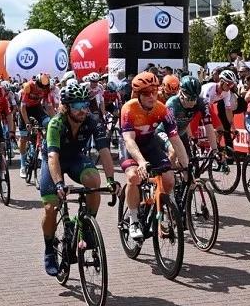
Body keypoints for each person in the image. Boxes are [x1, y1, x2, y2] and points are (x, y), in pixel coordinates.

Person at [40, 82, 116, 275]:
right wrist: (58, 184)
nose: (82, 110)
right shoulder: (56, 124)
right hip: (53, 160)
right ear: (66, 106)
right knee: (50, 207)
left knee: (94, 181)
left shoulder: (92, 121)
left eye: (85, 105)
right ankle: (49, 249)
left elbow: (105, 151)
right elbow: (52, 157)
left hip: (75, 159)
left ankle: (86, 225)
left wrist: (111, 180)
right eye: (77, 106)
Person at [119, 72, 188, 241]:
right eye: (146, 93)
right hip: (131, 146)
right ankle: (134, 220)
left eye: (154, 91)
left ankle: (160, 209)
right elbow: (129, 140)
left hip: (150, 144)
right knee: (134, 177)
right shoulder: (128, 108)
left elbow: (175, 139)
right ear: (137, 94)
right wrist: (141, 162)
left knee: (169, 179)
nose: (152, 96)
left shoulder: (162, 109)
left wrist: (186, 166)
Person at [165, 76, 217, 154]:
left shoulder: (201, 103)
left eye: (195, 98)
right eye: (190, 98)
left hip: (181, 132)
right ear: (181, 93)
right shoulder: (172, 104)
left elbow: (209, 126)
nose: (193, 102)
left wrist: (215, 149)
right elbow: (171, 130)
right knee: (175, 154)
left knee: (189, 160)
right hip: (166, 133)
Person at [18, 73, 53, 173]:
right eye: (40, 87)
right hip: (25, 110)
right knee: (24, 138)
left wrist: (54, 120)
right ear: (36, 83)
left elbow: (49, 107)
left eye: (44, 88)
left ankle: (42, 146)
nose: (41, 90)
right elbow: (23, 107)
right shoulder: (28, 87)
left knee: (48, 122)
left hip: (36, 108)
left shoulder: (47, 89)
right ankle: (23, 165)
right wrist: (27, 123)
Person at [201, 70, 239, 148]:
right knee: (208, 128)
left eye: (232, 85)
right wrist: (210, 126)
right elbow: (204, 108)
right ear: (221, 81)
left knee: (220, 129)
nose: (230, 87)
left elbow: (228, 110)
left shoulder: (226, 92)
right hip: (198, 106)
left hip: (207, 107)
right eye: (229, 84)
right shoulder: (210, 88)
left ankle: (214, 148)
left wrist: (233, 127)